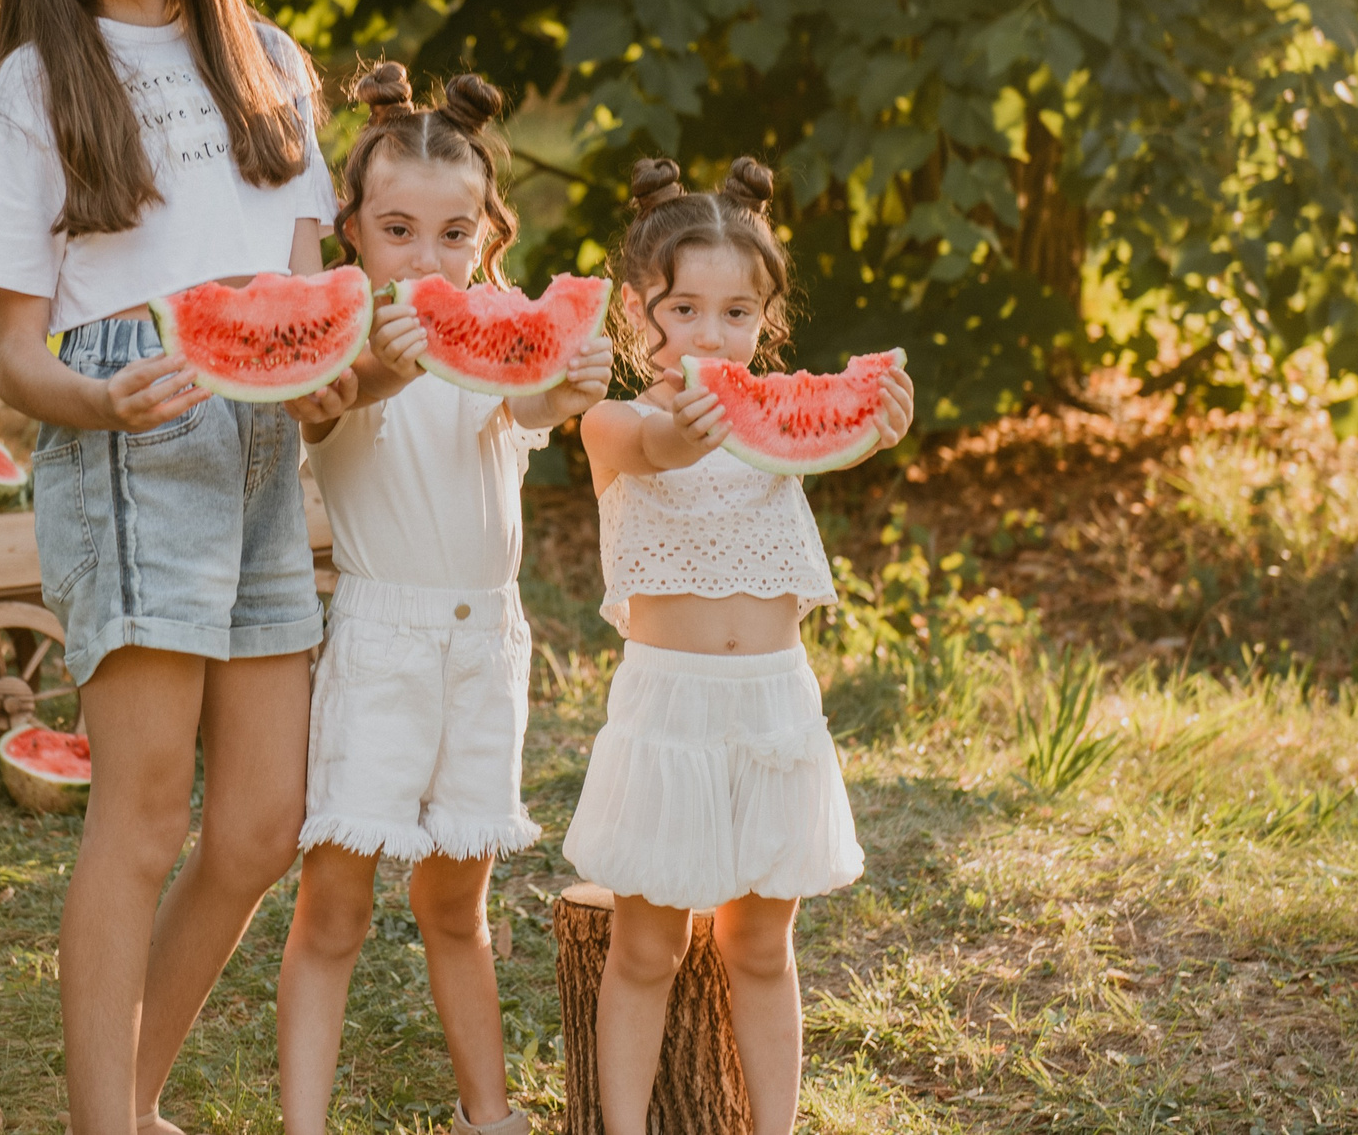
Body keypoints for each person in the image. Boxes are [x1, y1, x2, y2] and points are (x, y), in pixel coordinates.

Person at [0, 0, 343, 1135]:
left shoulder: (272, 61)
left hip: (263, 450)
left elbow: (307, 295)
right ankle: (105, 1127)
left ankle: (129, 1097)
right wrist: (102, 403)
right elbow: (16, 357)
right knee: (142, 813)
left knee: (261, 822)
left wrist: (327, 383)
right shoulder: (36, 86)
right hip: (132, 434)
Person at [275, 64, 611, 1135]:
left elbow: (537, 398)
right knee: (334, 910)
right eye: (398, 231)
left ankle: (489, 1117)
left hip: (486, 652)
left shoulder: (501, 323)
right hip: (380, 645)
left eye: (453, 235)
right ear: (353, 234)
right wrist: (387, 363)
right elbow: (317, 415)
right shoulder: (338, 342)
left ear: (486, 234)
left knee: (458, 910)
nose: (427, 259)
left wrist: (576, 377)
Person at [565, 157, 916, 1135]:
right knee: (647, 949)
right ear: (636, 312)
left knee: (760, 946)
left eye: (736, 313)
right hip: (667, 711)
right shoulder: (614, 424)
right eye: (683, 310)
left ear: (767, 320)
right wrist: (700, 422)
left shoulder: (776, 432)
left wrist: (874, 424)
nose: (711, 335)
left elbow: (825, 429)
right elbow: (668, 447)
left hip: (775, 706)